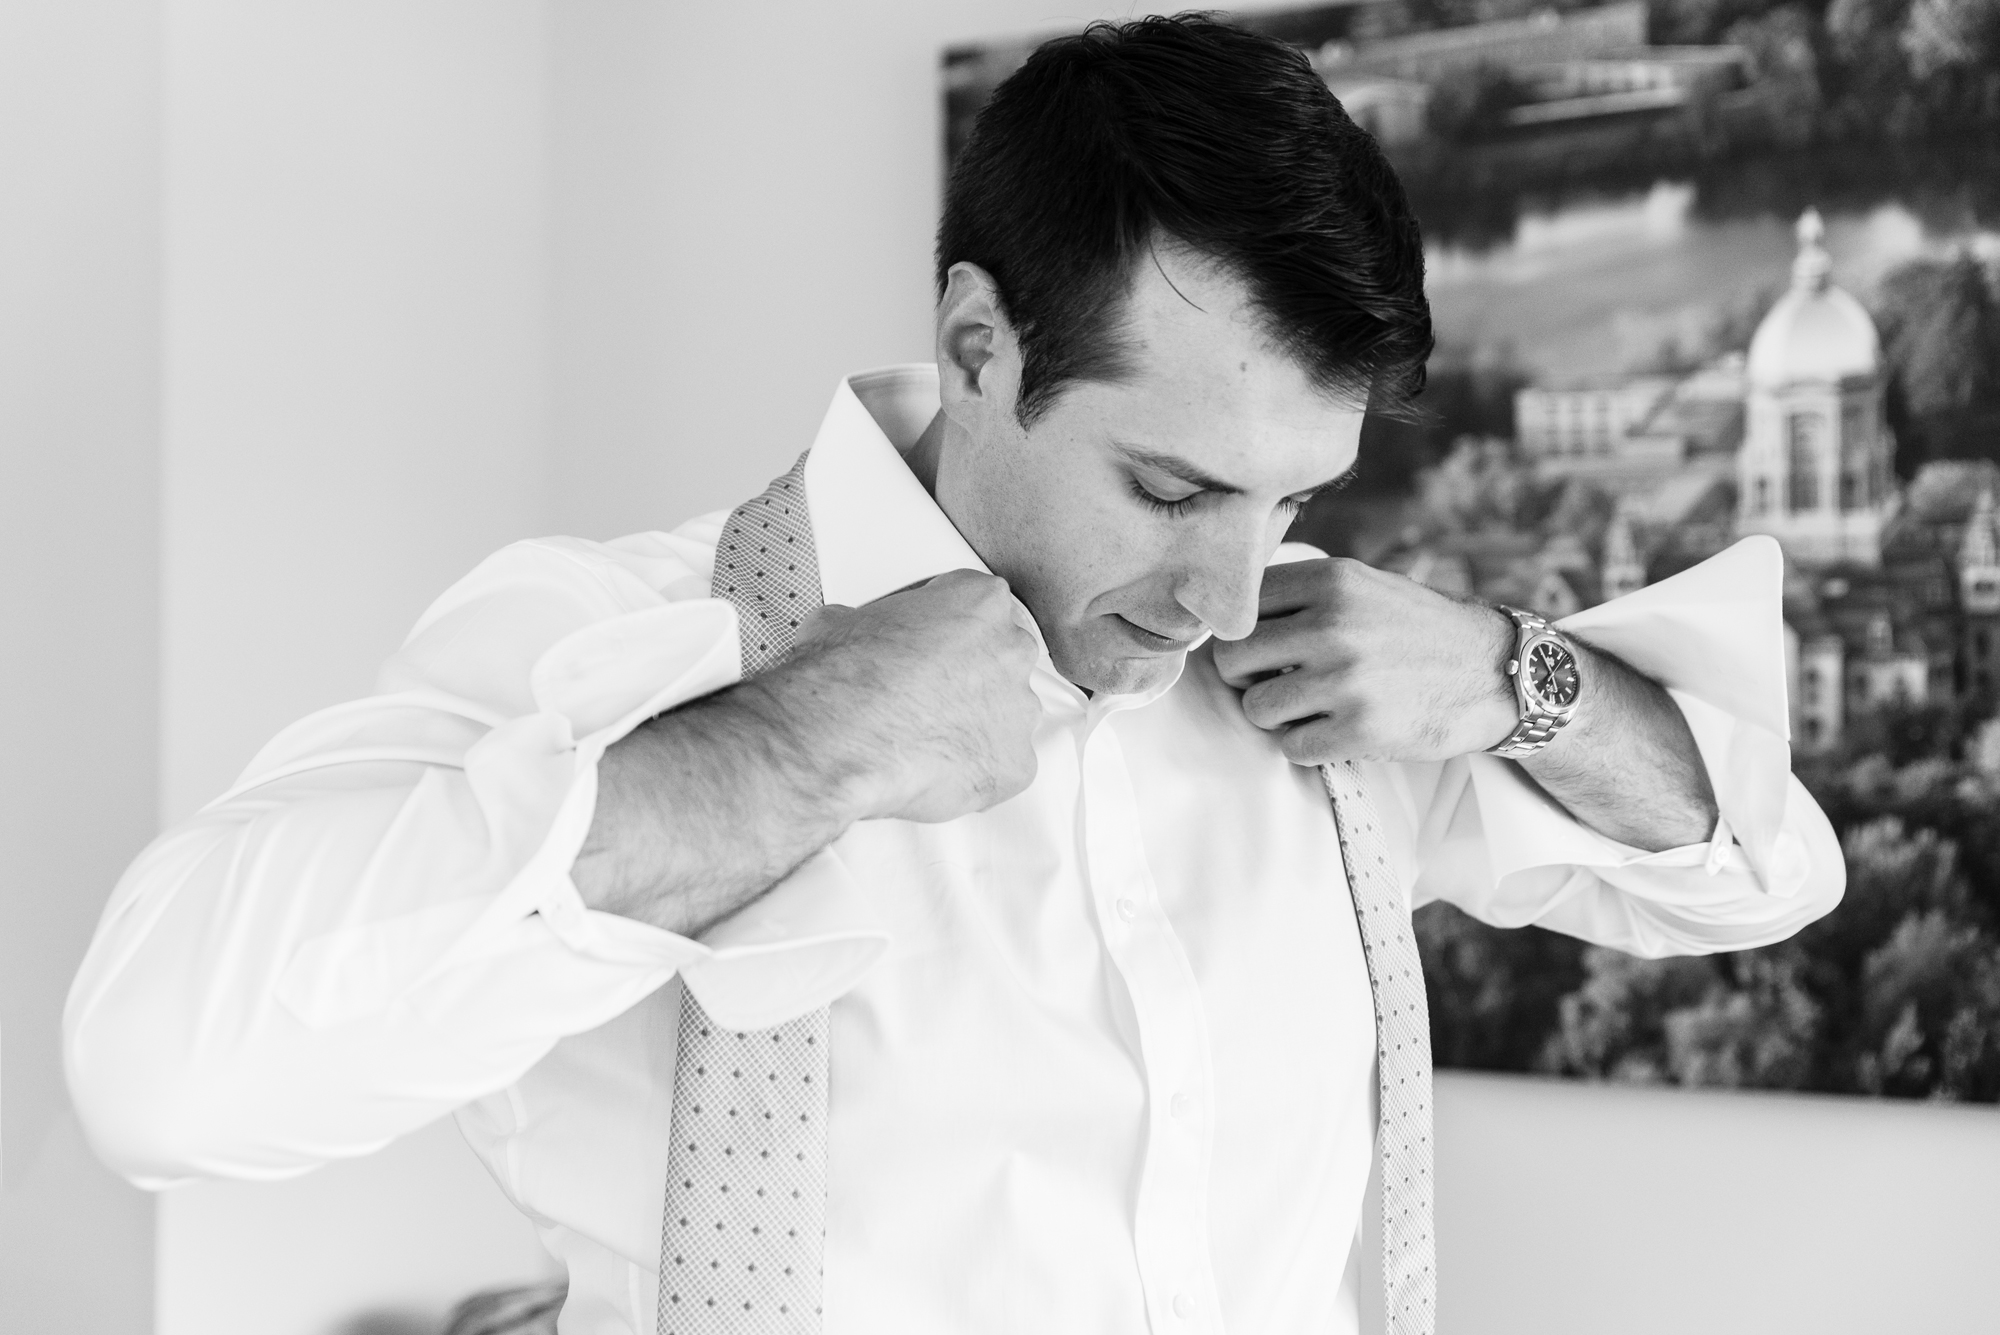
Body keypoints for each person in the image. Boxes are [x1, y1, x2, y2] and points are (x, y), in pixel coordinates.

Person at [66, 15, 1842, 1335]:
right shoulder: (617, 637)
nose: (1230, 593)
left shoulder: (1325, 683)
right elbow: (158, 1076)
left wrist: (1519, 676)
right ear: (980, 343)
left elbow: (1758, 870)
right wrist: (797, 748)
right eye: (1172, 490)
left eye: (1293, 497)